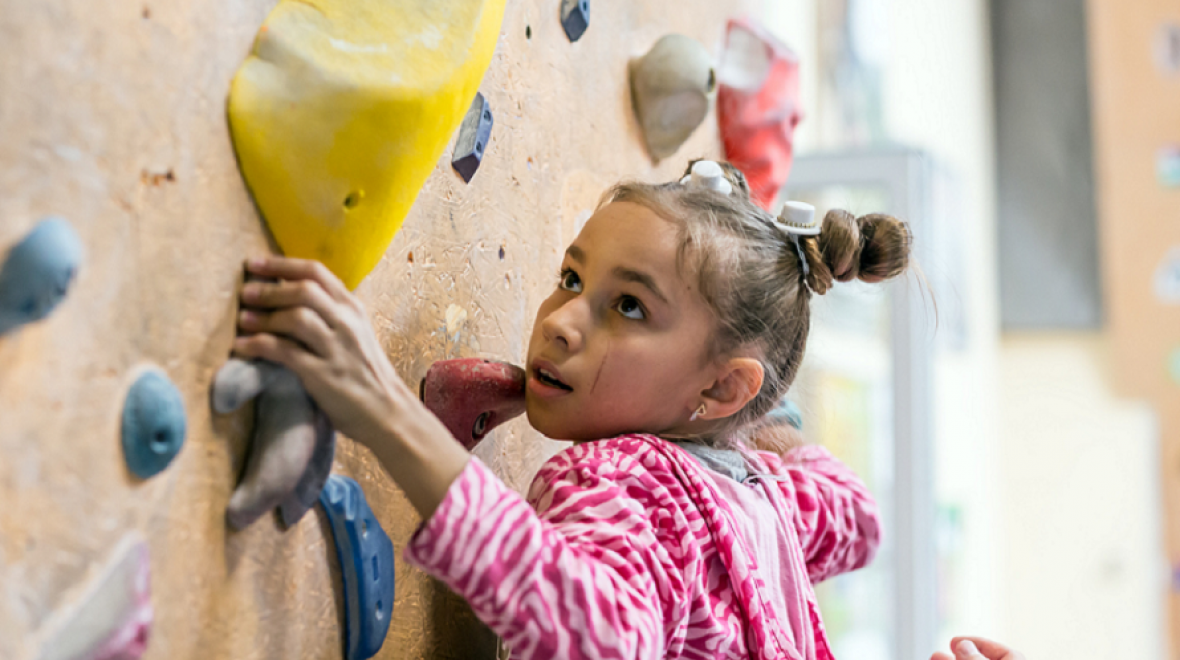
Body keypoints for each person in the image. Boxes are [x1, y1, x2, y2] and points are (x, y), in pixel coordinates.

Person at [231, 159, 909, 659]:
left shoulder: (619, 481)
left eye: (630, 307)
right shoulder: (762, 498)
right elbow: (855, 512)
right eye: (573, 279)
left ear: (722, 389)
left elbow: (596, 636)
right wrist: (735, 404)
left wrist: (380, 406)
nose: (561, 322)